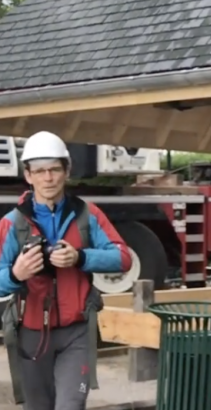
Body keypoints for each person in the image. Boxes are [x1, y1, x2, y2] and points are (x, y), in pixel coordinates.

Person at [0, 131, 133, 410]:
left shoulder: (88, 214)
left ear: (67, 171)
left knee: (70, 405)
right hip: (31, 334)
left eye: (54, 169)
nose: (48, 178)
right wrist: (15, 275)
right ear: (28, 175)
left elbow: (122, 259)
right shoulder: (12, 224)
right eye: (40, 171)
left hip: (76, 333)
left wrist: (80, 257)